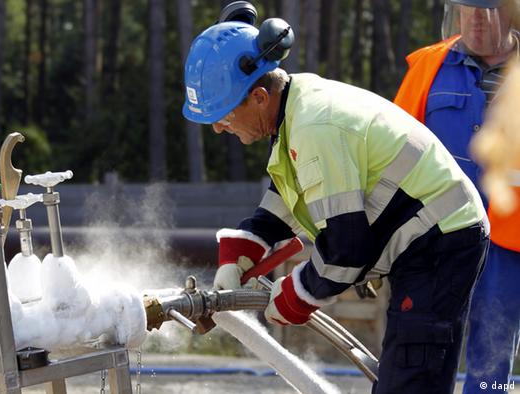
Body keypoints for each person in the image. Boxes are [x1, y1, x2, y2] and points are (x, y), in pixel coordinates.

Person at [183, 18, 489, 394]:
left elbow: (346, 251)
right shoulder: (296, 107)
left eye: (223, 115)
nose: (218, 128)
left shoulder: (315, 125)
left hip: (441, 239)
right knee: (406, 369)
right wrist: (248, 243)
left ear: (259, 97)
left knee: (412, 374)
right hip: (429, 234)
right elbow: (293, 193)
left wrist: (298, 293)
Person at [394, 1, 520, 392]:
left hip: (508, 243)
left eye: (489, 9)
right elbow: (391, 150)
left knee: (491, 358)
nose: (478, 20)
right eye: (469, 8)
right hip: (436, 237)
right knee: (421, 347)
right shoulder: (427, 68)